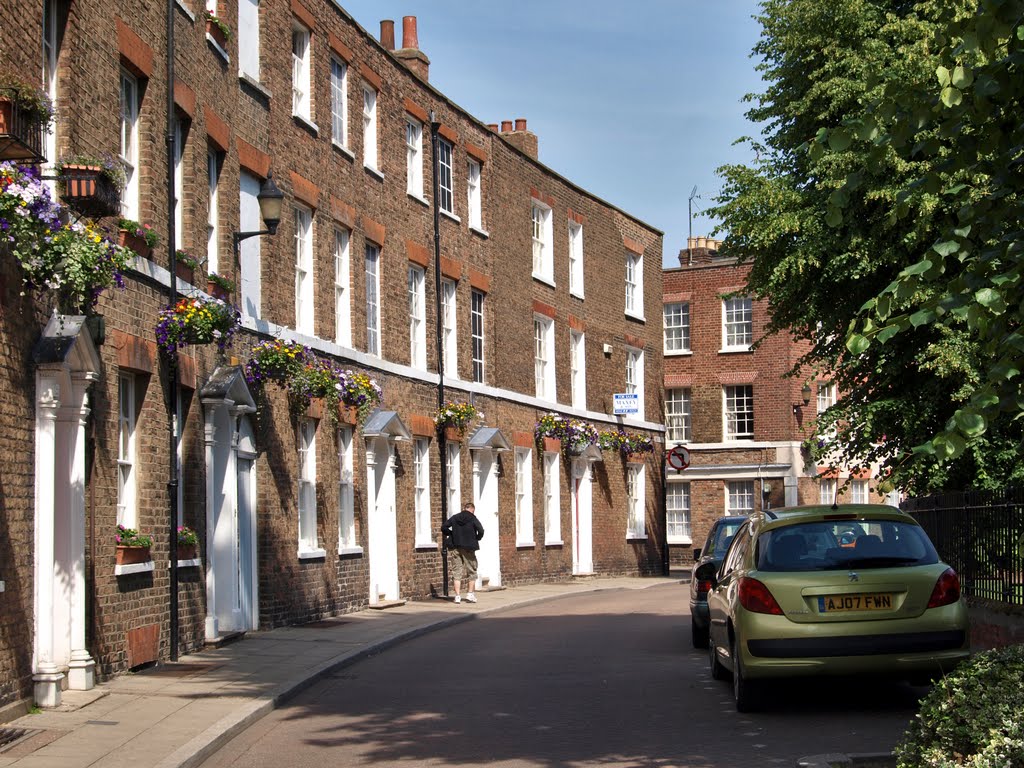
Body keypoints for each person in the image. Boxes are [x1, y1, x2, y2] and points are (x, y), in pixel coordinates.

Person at [441, 502, 484, 604]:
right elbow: (481, 530)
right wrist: (477, 538)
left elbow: (444, 527)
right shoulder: (473, 518)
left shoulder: (455, 517)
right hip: (469, 548)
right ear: (472, 510)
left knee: (457, 571)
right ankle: (470, 595)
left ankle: (457, 596)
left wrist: (451, 533)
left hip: (456, 547)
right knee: (472, 571)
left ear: (464, 508)